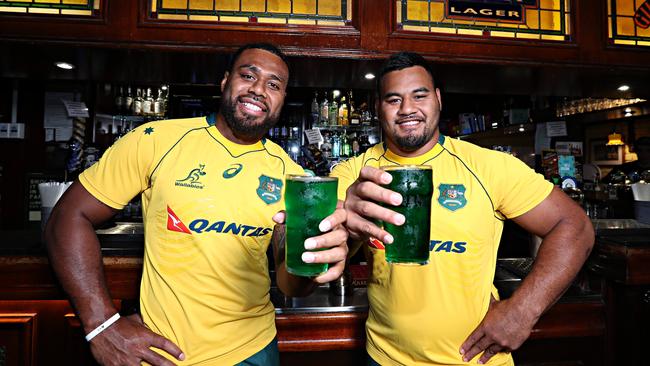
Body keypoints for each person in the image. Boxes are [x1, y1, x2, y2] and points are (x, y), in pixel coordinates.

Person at [44, 43, 348, 366]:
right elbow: (67, 215)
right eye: (248, 75)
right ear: (225, 81)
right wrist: (100, 325)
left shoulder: (292, 176)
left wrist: (313, 264)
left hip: (251, 353)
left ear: (282, 100)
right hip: (163, 354)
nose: (259, 90)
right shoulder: (155, 140)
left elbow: (290, 283)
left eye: (274, 85)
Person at [331, 52, 594, 365]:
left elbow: (574, 226)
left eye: (420, 95)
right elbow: (317, 245)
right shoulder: (353, 174)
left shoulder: (487, 166)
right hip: (386, 358)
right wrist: (345, 222)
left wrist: (522, 311)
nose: (407, 109)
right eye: (393, 99)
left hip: (477, 360)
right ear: (379, 108)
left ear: (438, 99)